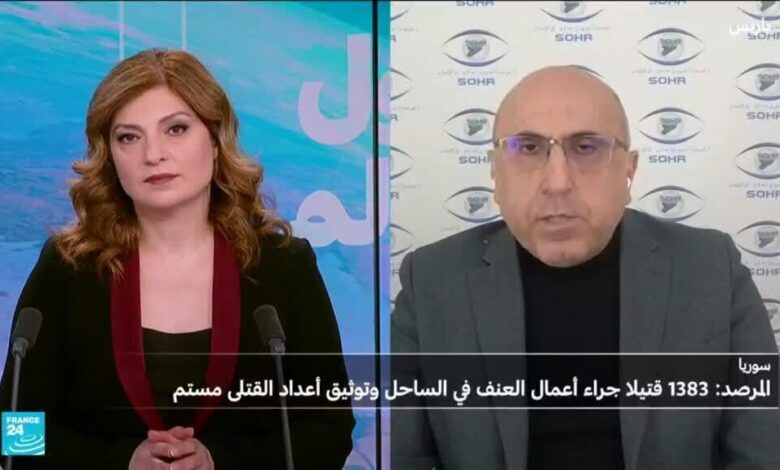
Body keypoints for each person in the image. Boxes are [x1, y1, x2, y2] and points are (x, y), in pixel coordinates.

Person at [390, 66, 780, 469]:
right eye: (528, 148)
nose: (557, 182)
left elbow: (764, 450)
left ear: (629, 170)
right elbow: (400, 455)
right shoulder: (431, 281)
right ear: (495, 170)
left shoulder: (711, 269)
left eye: (587, 147)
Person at [0, 48, 354, 469]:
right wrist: (121, 462)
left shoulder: (283, 266)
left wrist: (218, 460)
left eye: (176, 129)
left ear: (216, 140)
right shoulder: (69, 267)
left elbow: (328, 429)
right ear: (110, 156)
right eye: (128, 137)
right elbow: (15, 432)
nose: (153, 154)